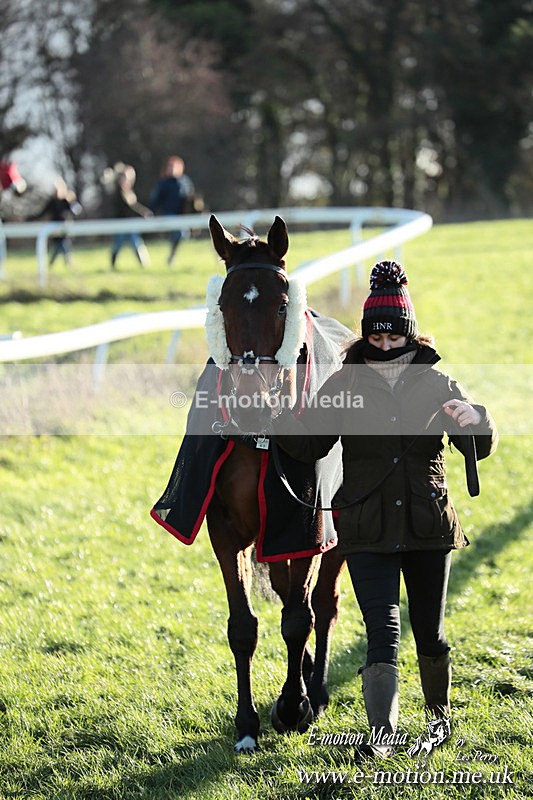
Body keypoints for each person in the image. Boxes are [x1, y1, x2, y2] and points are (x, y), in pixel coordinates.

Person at [271, 260, 498, 759]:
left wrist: (477, 419)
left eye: (395, 338)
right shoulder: (346, 385)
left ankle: (438, 721)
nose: (386, 347)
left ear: (410, 335)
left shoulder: (438, 383)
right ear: (366, 337)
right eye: (376, 339)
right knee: (382, 632)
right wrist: (278, 414)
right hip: (367, 528)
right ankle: (382, 737)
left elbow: (478, 445)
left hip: (427, 528)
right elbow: (308, 444)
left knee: (431, 633)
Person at [148, 155, 196, 266]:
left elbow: (191, 198)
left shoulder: (184, 181)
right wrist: (151, 211)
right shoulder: (164, 183)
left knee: (183, 234)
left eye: (174, 167)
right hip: (169, 214)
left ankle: (173, 255)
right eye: (170, 167)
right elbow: (156, 199)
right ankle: (172, 255)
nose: (172, 169)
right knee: (179, 233)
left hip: (183, 215)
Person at [28, 177, 82, 266]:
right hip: (55, 228)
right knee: (60, 245)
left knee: (62, 245)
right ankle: (65, 262)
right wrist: (31, 218)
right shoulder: (52, 202)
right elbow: (42, 213)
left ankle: (57, 263)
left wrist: (68, 211)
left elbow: (76, 210)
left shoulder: (66, 201)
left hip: (65, 228)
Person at [109, 164, 151, 270]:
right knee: (117, 245)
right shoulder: (118, 192)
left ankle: (143, 265)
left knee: (136, 243)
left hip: (130, 223)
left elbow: (133, 205)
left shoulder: (129, 192)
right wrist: (143, 213)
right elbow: (131, 206)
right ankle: (112, 266)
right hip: (120, 224)